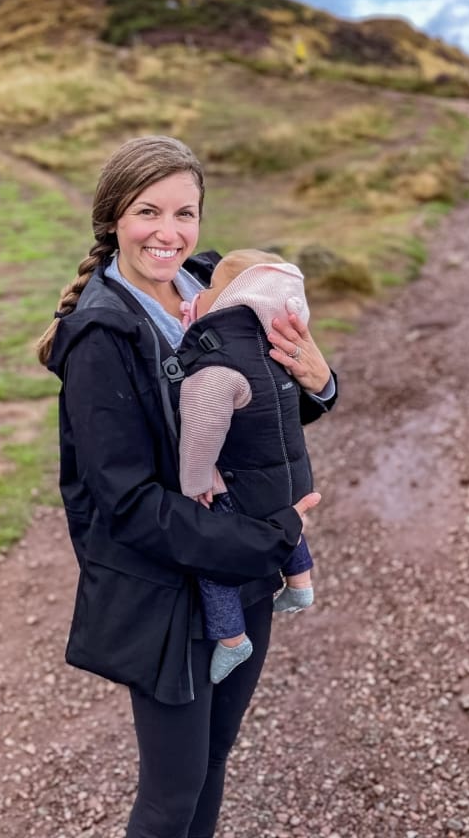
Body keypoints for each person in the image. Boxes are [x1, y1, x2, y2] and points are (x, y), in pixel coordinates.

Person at [36, 136, 337, 838]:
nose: (169, 234)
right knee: (171, 793)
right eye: (148, 212)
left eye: (185, 213)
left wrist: (320, 382)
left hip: (246, 569)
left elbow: (261, 414)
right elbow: (130, 504)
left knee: (214, 757)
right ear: (113, 218)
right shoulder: (100, 337)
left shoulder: (221, 290)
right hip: (166, 591)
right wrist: (271, 539)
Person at [177, 250, 317, 685]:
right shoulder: (274, 347)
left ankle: (232, 640)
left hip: (247, 486)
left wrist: (196, 482)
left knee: (214, 561)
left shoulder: (217, 365)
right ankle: (300, 584)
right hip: (291, 478)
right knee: (288, 521)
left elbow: (201, 429)